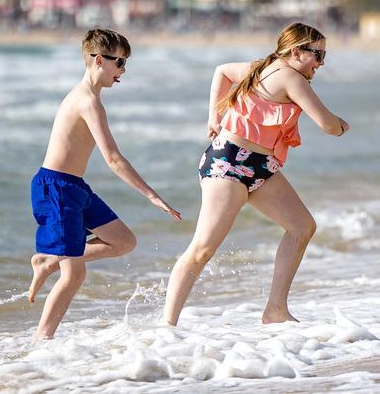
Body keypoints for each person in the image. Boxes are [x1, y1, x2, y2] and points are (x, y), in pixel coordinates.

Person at [163, 23, 349, 326]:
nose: (321, 63)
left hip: (259, 165)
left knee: (302, 226)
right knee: (202, 249)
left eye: (325, 56)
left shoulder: (264, 67)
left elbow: (221, 71)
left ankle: (275, 310)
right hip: (228, 164)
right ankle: (167, 326)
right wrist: (341, 125)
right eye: (318, 55)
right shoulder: (291, 78)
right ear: (296, 51)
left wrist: (214, 115)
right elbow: (327, 125)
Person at [27, 28, 181, 340]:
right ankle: (41, 342)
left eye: (125, 63)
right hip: (56, 189)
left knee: (124, 242)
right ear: (99, 60)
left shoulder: (93, 99)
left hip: (74, 188)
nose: (123, 70)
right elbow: (113, 159)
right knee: (74, 275)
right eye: (120, 63)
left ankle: (50, 259)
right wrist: (151, 196)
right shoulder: (87, 101)